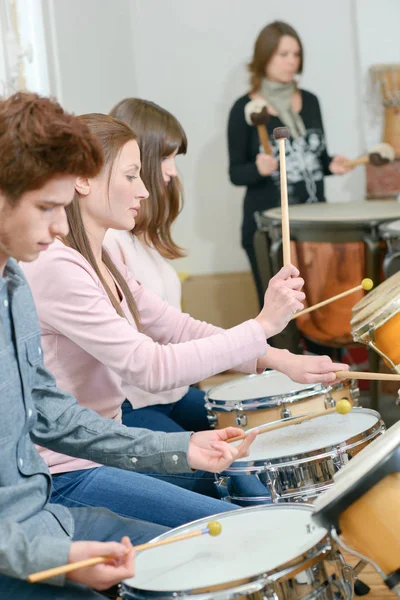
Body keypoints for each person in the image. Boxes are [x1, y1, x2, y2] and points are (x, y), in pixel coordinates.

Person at [22, 111, 348, 516]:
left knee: (246, 483)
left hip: (109, 447)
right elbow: (149, 367)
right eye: (130, 175)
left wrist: (278, 358)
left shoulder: (100, 255)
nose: (144, 190)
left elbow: (174, 326)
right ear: (83, 180)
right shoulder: (57, 265)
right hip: (68, 472)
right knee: (239, 521)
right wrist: (262, 324)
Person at [0, 92, 258, 600]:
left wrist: (177, 448)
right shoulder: (44, 269)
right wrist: (59, 559)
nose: (58, 226)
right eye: (47, 207)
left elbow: (52, 417)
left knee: (232, 545)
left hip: (48, 514)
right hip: (23, 543)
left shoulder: (14, 283)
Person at [105, 98, 213, 434]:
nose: (172, 171)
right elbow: (143, 349)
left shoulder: (145, 237)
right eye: (165, 157)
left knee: (262, 428)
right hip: (130, 403)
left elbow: (174, 325)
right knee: (232, 472)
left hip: (172, 393)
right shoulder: (110, 241)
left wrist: (256, 349)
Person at [227, 20, 352, 307]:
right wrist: (258, 169)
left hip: (313, 225)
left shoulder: (310, 102)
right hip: (268, 228)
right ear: (265, 57)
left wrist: (331, 165)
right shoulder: (243, 108)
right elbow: (235, 172)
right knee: (280, 316)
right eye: (283, 54)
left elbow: (316, 158)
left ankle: (323, 354)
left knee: (320, 305)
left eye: (296, 54)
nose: (291, 62)